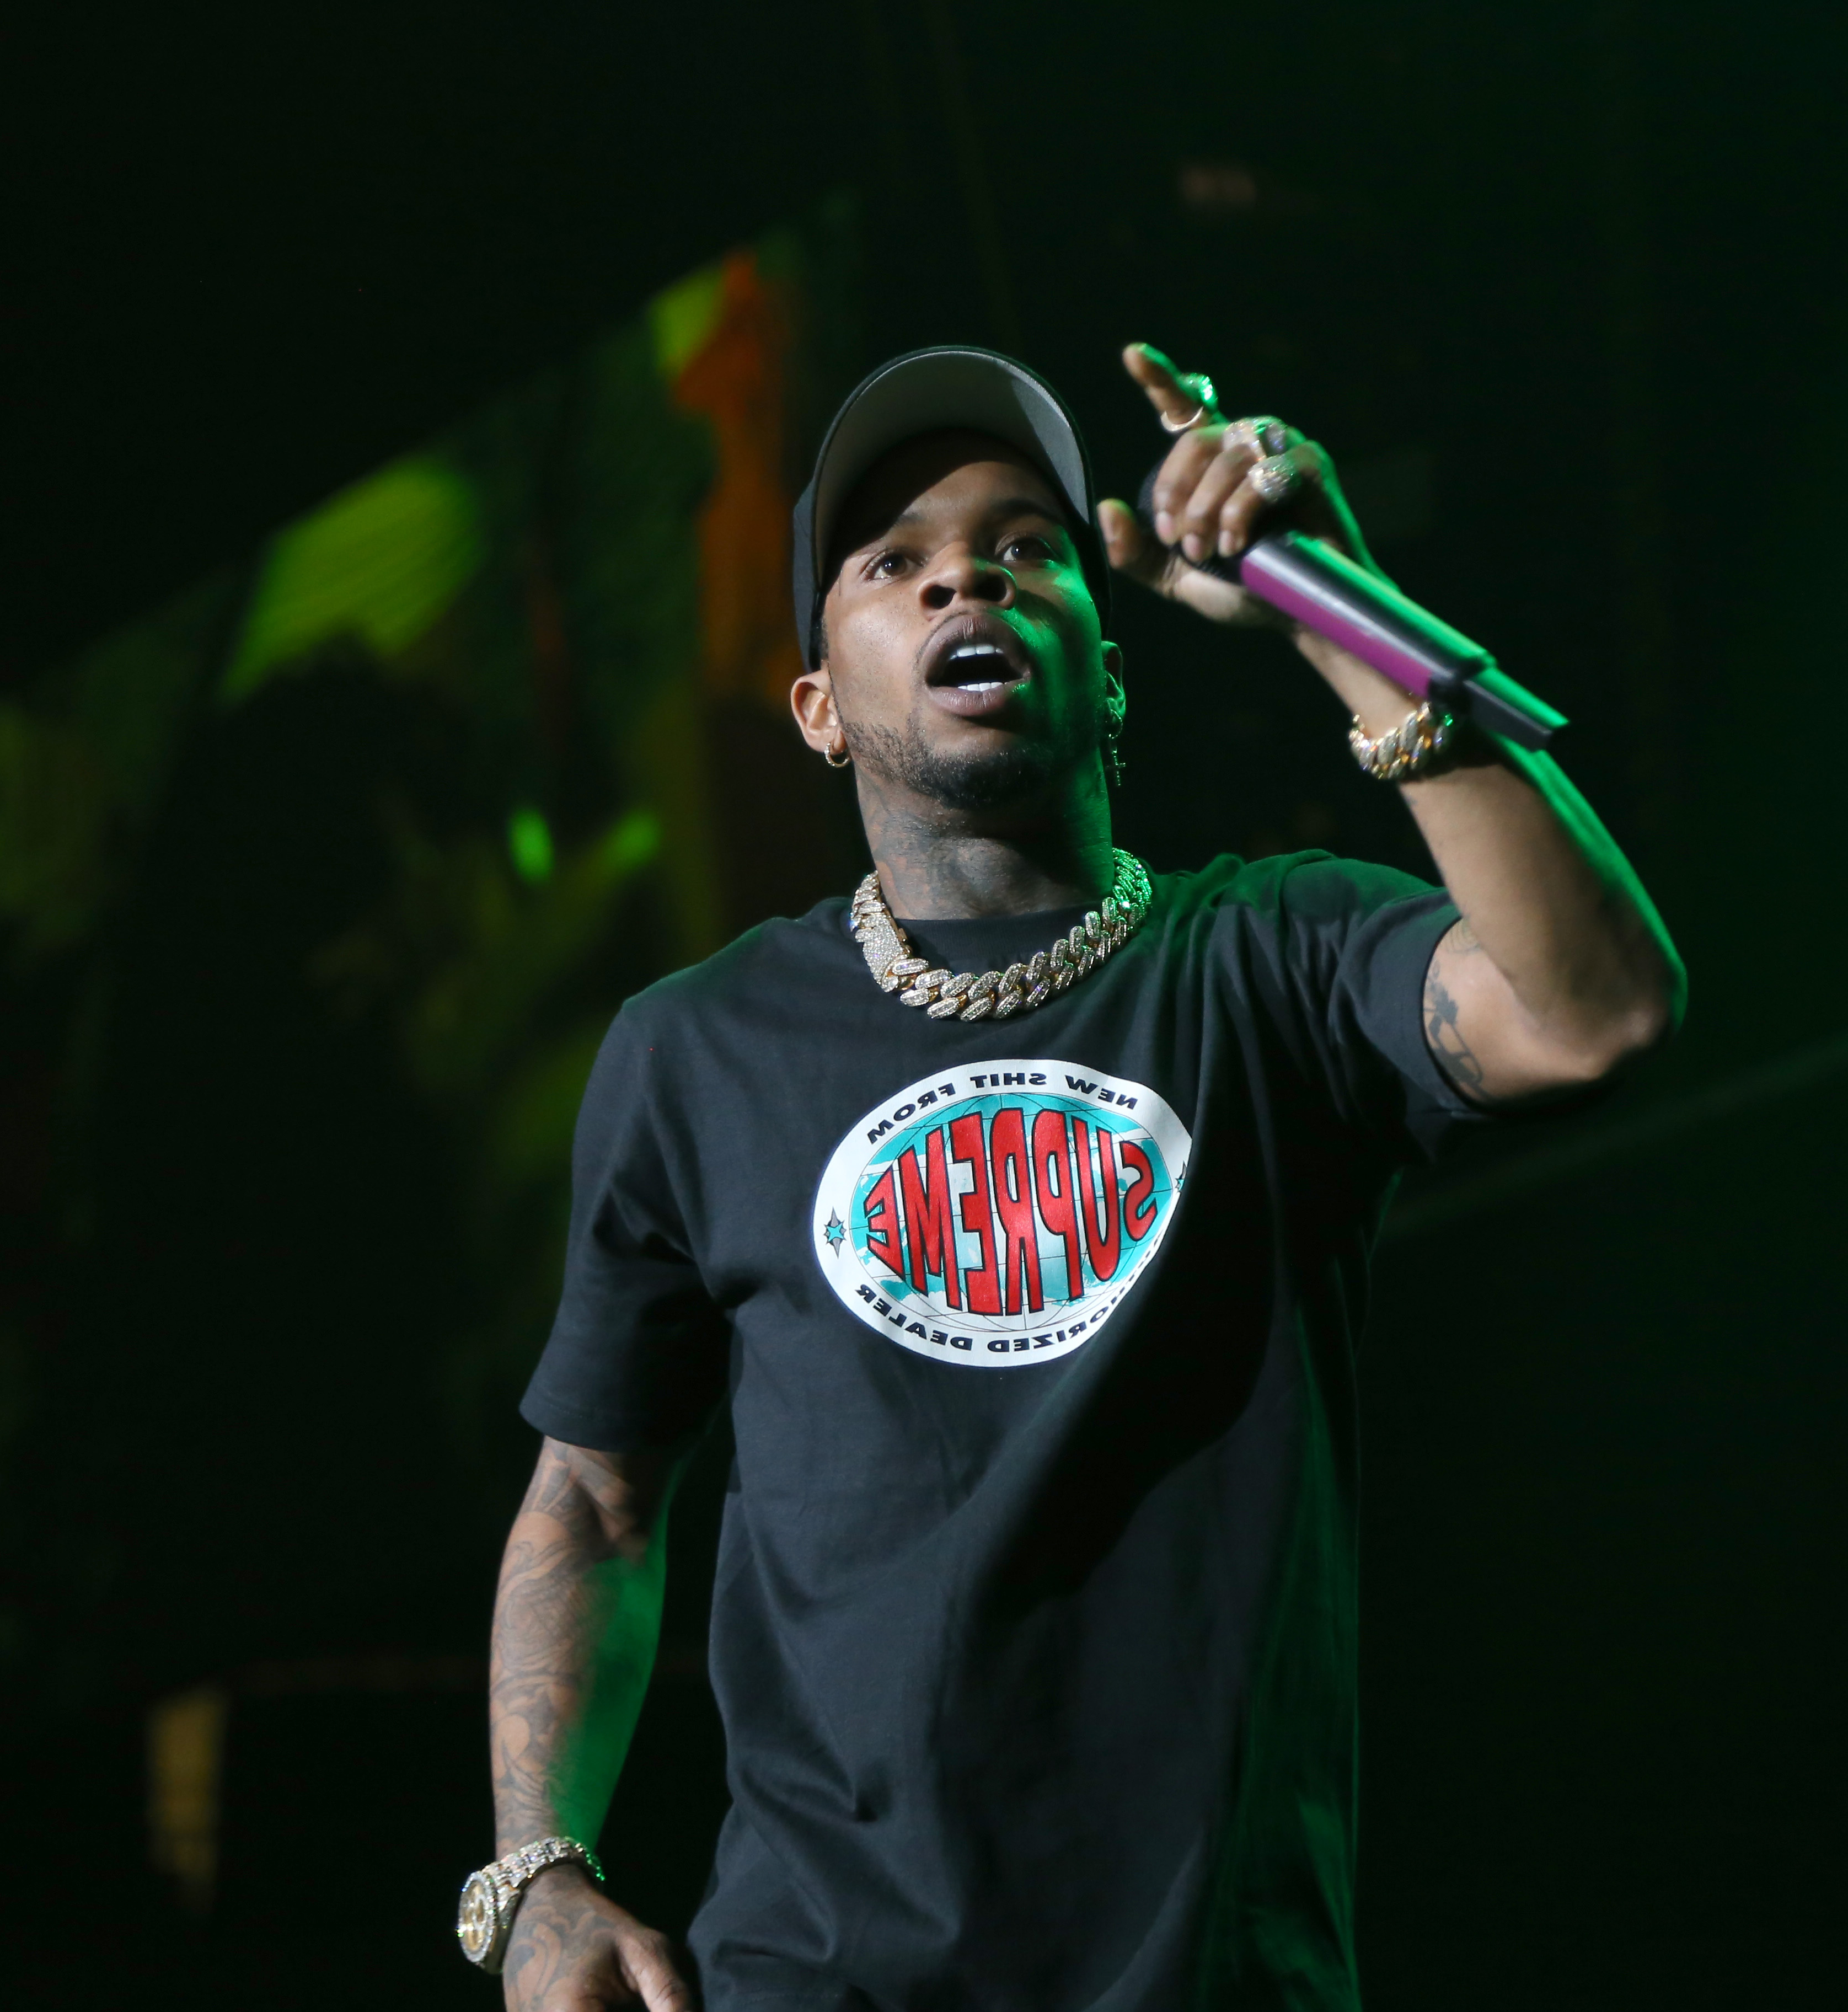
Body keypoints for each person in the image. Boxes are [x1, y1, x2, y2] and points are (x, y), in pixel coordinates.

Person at [464, 342, 1683, 2011]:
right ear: (818, 706)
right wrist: (538, 1876)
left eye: (1027, 542)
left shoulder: (1274, 957)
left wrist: (1343, 615)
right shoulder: (699, 1047)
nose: (967, 569)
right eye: (892, 563)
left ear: (1112, 671)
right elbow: (593, 1500)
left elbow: (1595, 1009)